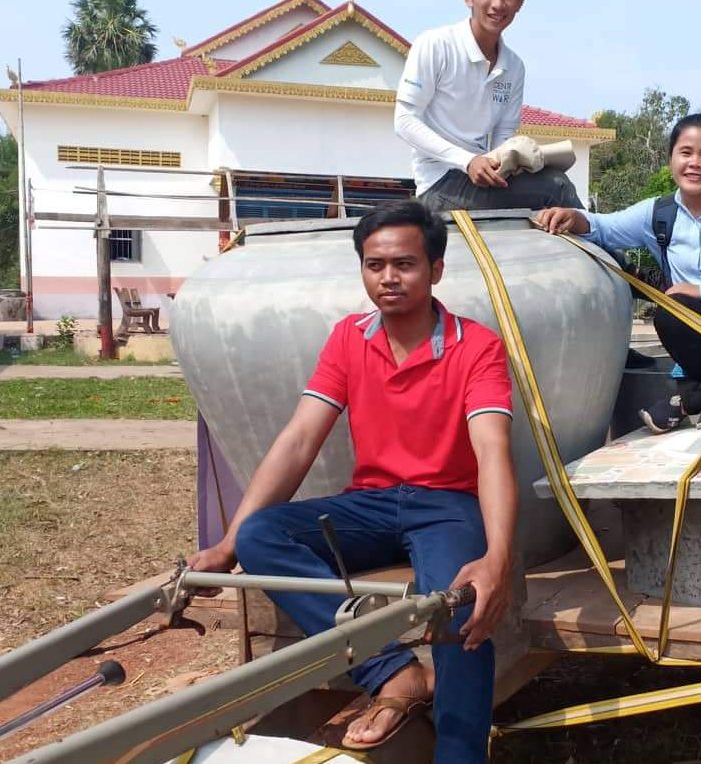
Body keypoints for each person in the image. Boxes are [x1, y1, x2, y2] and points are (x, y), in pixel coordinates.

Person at [186, 201, 516, 762]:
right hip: (373, 503)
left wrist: (499, 558)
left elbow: (491, 451)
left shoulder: (475, 346)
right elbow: (298, 441)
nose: (389, 278)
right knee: (260, 535)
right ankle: (392, 670)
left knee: (458, 604)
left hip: (446, 505)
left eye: (405, 264)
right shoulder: (348, 338)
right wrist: (226, 543)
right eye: (375, 264)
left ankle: (460, 754)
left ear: (436, 270)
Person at [538, 114, 701, 432]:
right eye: (686, 152)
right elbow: (603, 227)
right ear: (671, 157)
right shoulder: (659, 213)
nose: (695, 163)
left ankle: (688, 402)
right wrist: (571, 217)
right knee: (670, 316)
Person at [394, 0, 583, 213]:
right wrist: (468, 161)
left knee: (550, 181)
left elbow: (503, 133)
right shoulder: (435, 45)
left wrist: (507, 163)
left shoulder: (514, 66)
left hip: (484, 176)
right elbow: (404, 121)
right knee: (557, 187)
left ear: (520, 4)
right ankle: (604, 241)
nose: (498, 5)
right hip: (439, 184)